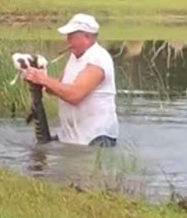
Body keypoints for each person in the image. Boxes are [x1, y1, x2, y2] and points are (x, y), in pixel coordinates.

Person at [23, 13, 119, 147]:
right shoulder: (74, 57)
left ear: (87, 36)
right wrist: (40, 78)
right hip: (70, 137)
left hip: (96, 138)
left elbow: (75, 95)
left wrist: (44, 80)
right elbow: (57, 89)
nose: (67, 40)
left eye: (72, 36)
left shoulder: (98, 59)